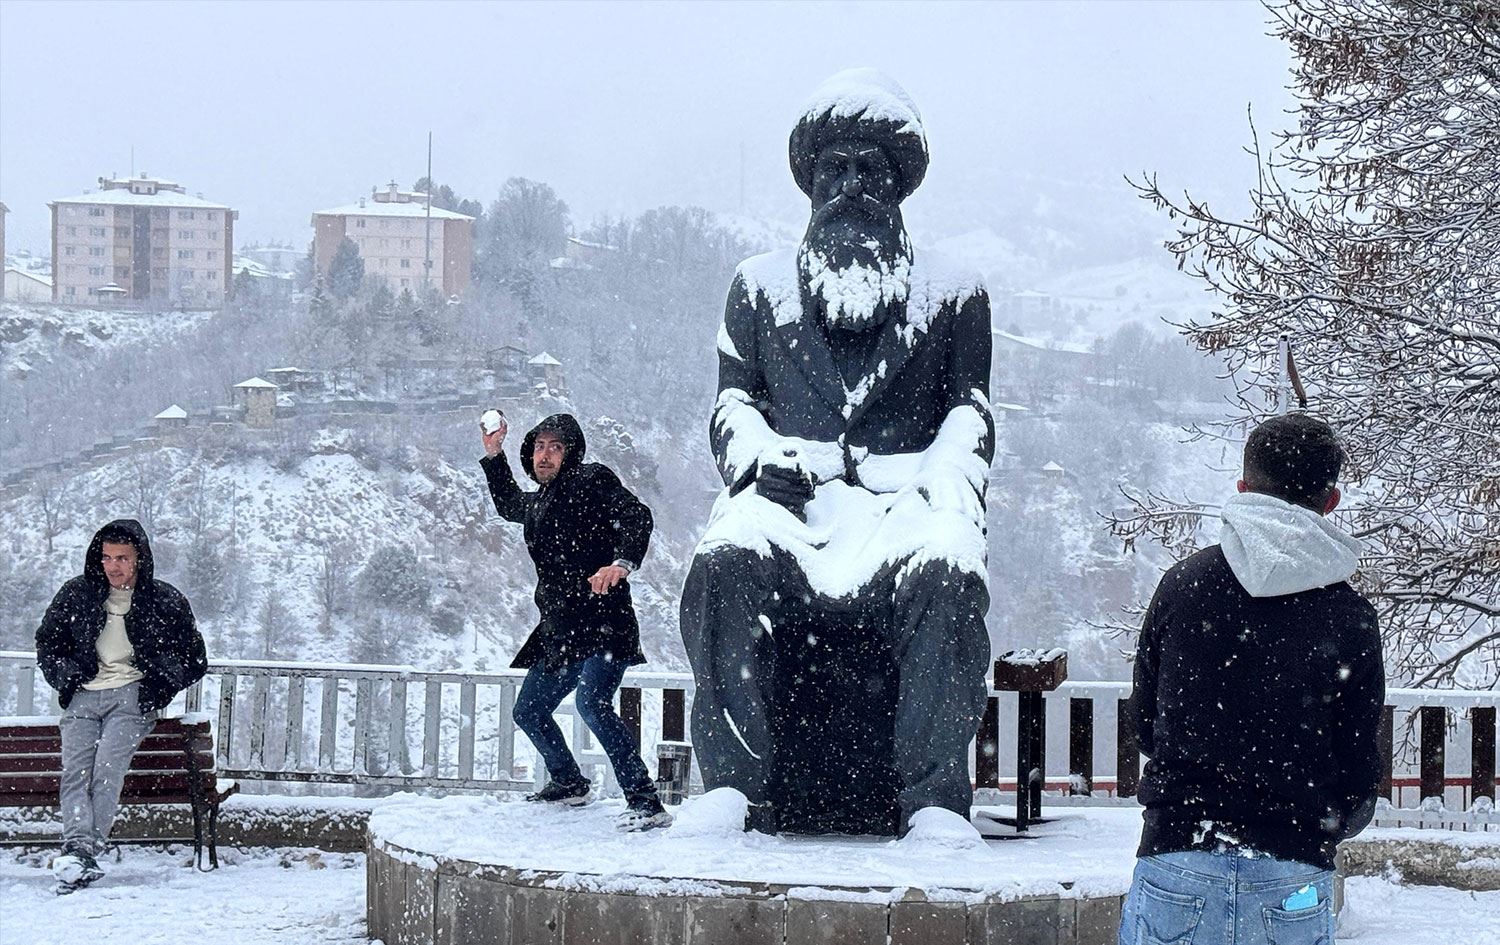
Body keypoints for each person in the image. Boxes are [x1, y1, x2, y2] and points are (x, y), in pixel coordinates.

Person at [680, 68, 994, 837]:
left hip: (904, 506)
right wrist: (758, 459)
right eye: (836, 170)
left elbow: (970, 408)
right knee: (722, 561)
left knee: (949, 567)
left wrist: (945, 482)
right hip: (792, 503)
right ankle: (734, 789)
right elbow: (733, 401)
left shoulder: (955, 290)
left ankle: (932, 802)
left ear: (898, 185)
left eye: (870, 171)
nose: (852, 186)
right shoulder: (757, 286)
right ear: (811, 183)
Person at [1121, 413, 1385, 944]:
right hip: (1292, 864)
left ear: (1243, 489)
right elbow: (1358, 763)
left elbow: (1145, 724)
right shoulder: (1349, 615)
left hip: (1178, 851)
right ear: (1330, 501)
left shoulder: (1184, 586)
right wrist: (1319, 822)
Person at [480, 412, 671, 831]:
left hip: (604, 621)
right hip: (561, 630)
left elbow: (636, 515)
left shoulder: (590, 480)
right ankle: (568, 782)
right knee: (530, 710)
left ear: (571, 453)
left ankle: (646, 802)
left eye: (555, 447)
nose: (545, 455)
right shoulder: (540, 501)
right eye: (539, 447)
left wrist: (621, 562)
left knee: (592, 704)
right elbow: (509, 503)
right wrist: (494, 455)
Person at [35, 518, 208, 893]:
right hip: (83, 695)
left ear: (139, 559)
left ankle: (82, 851)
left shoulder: (163, 600)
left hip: (131, 696)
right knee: (76, 772)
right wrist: (68, 677)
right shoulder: (77, 594)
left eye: (122, 558)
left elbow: (194, 658)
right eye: (107, 557)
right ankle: (79, 851)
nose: (113, 566)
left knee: (106, 769)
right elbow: (48, 644)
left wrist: (156, 688)